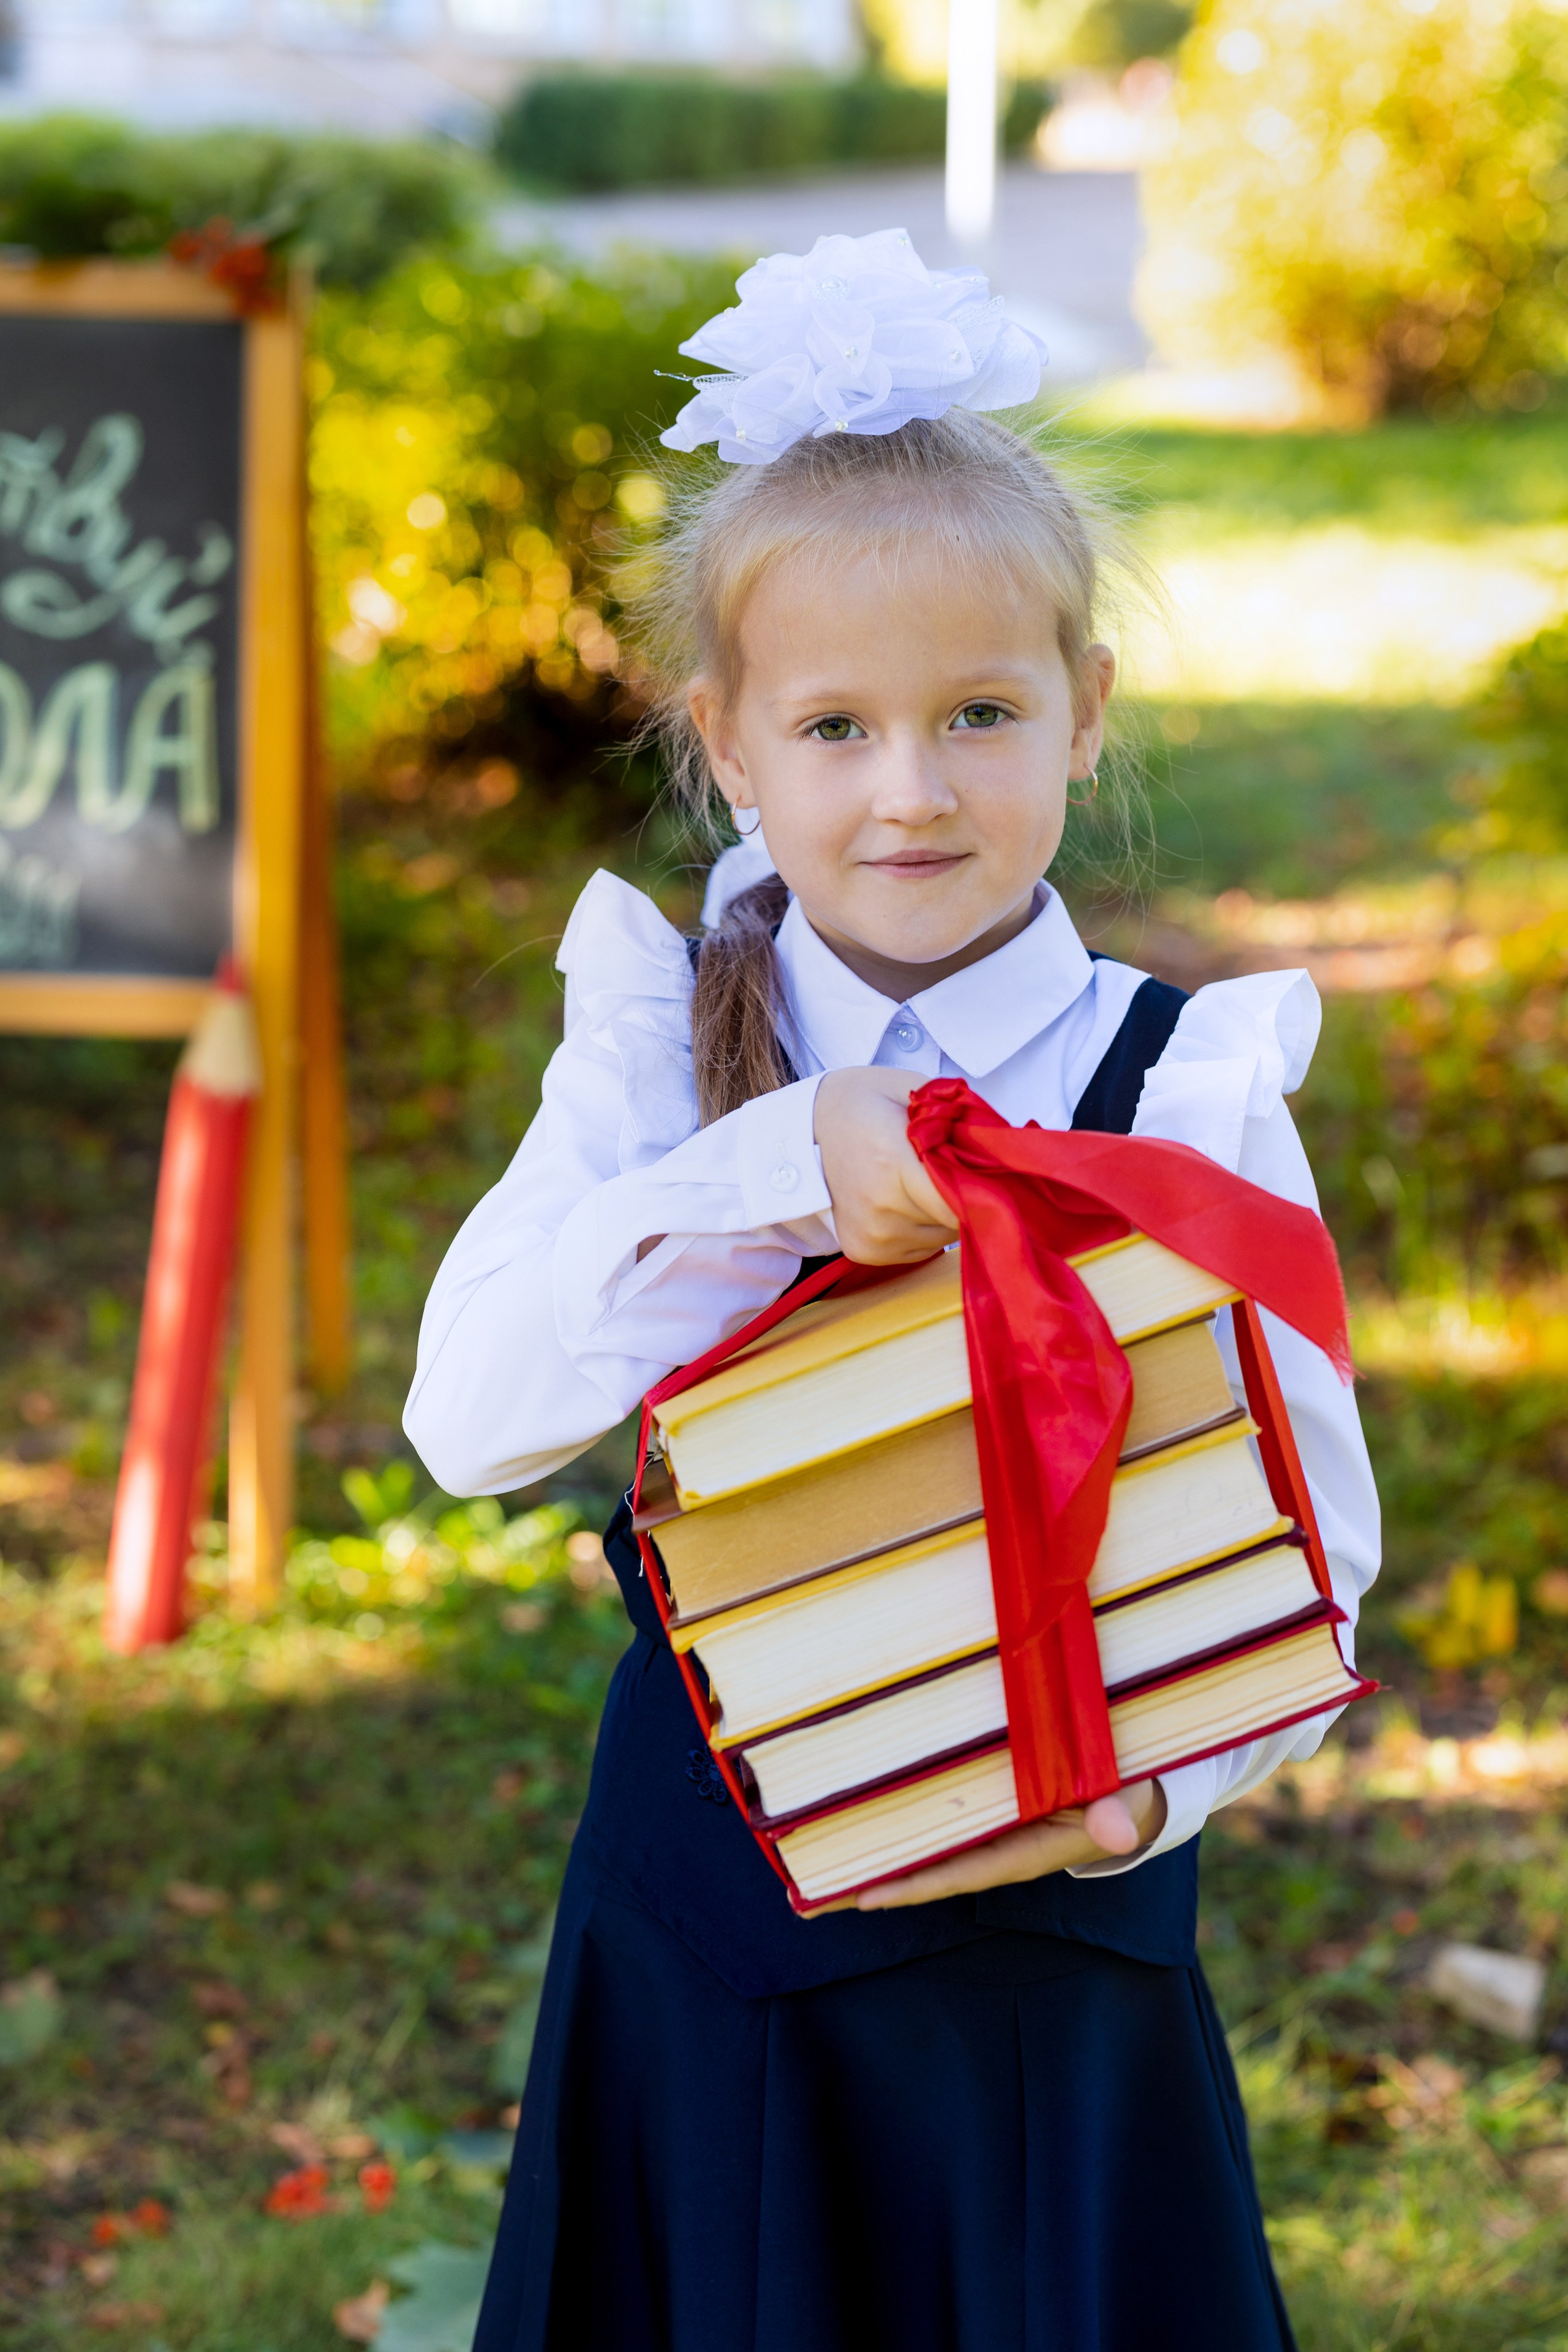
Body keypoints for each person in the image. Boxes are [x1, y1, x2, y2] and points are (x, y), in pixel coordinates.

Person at [405, 229, 1379, 2352]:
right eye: (834, 725)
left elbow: (1321, 1529)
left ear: (1083, 711)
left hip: (1059, 1928)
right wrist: (768, 1171)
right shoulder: (661, 1036)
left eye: (979, 714)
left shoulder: (1176, 1078)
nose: (910, 787)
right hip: (713, 1921)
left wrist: (1145, 1804)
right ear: (730, 743)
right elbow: (468, 1419)